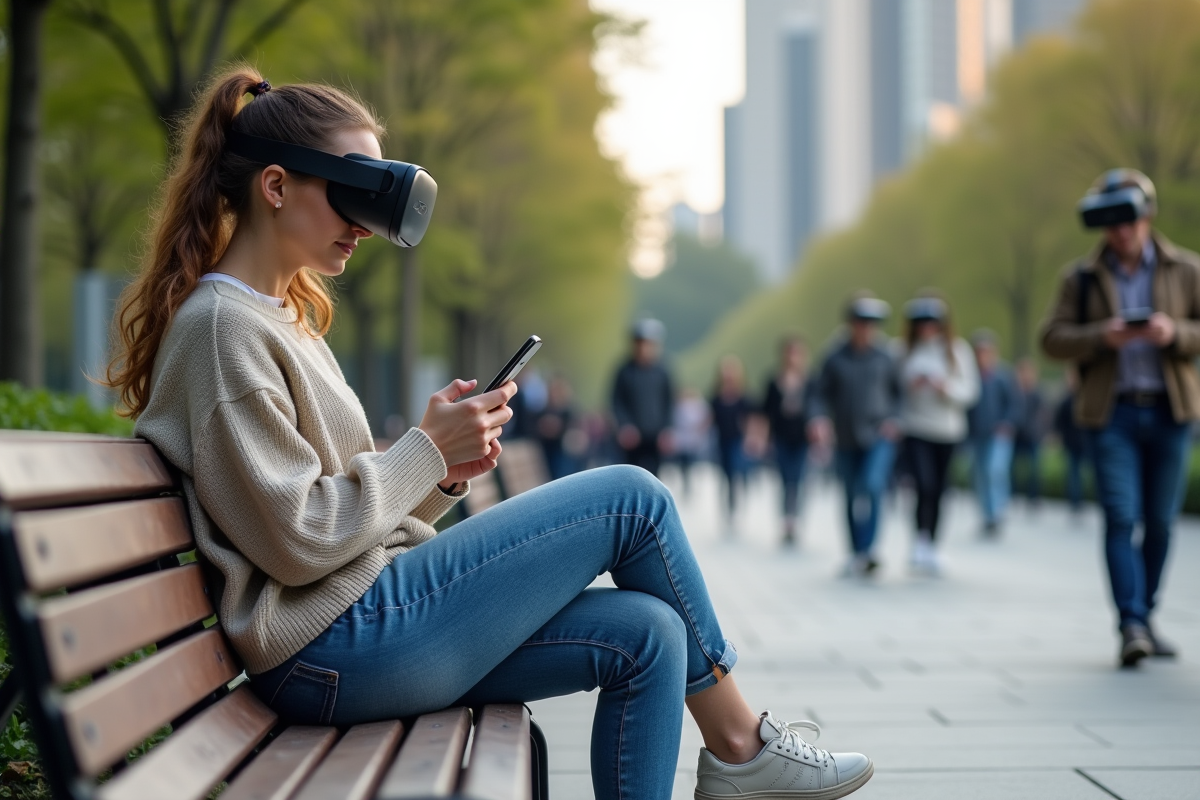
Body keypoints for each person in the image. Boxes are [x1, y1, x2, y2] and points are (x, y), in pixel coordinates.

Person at [103, 69, 874, 800]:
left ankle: (739, 753)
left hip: (357, 626)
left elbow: (329, 525)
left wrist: (437, 478)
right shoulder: (221, 329)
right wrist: (423, 449)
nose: (367, 227)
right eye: (355, 196)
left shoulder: (282, 318)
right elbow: (297, 540)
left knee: (651, 634)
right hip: (331, 649)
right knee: (634, 500)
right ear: (276, 186)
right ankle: (742, 747)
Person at [1041, 168, 1200, 668]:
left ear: (1147, 215)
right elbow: (1051, 338)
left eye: (1127, 218)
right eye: (1108, 221)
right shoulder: (1080, 279)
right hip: (1111, 413)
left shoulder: (1186, 270)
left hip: (1171, 410)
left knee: (1160, 523)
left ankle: (1145, 617)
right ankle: (1130, 622)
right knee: (1119, 515)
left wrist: (1173, 333)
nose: (1120, 231)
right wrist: (1099, 337)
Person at [809, 295, 902, 577]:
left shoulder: (885, 356)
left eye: (872, 324)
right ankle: (855, 551)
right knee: (850, 494)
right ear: (851, 324)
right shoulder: (834, 356)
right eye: (861, 322)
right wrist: (819, 419)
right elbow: (818, 394)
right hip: (846, 437)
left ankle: (869, 549)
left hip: (878, 435)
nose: (866, 329)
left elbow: (899, 394)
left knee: (872, 485)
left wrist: (895, 420)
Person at [898, 297, 979, 574]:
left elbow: (970, 391)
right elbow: (892, 387)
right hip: (916, 427)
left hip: (948, 431)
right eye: (921, 323)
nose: (926, 329)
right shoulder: (903, 351)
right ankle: (920, 540)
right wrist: (912, 385)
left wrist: (947, 389)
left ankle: (932, 544)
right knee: (924, 484)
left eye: (931, 323)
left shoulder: (957, 351)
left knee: (941, 489)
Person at [763, 336, 816, 546]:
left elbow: (816, 407)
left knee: (800, 479)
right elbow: (766, 411)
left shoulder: (809, 380)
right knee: (785, 480)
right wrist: (761, 438)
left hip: (803, 438)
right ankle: (786, 520)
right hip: (781, 437)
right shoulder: (774, 380)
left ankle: (797, 519)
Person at [967, 331, 1020, 537]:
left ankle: (998, 512)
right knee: (980, 475)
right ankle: (987, 515)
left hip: (998, 434)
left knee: (995, 470)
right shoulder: (971, 376)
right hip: (977, 434)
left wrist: (1007, 423)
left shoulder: (1003, 376)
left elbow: (1015, 404)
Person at [611, 319, 675, 476]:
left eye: (648, 343)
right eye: (640, 343)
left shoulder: (663, 371)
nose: (644, 348)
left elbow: (669, 402)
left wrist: (667, 429)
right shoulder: (624, 371)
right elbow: (617, 401)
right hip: (632, 436)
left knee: (654, 478)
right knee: (631, 477)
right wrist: (625, 425)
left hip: (656, 436)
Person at [711, 355, 754, 535]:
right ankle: (728, 510)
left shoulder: (744, 397)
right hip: (722, 441)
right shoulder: (716, 397)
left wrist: (752, 438)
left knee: (737, 474)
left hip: (738, 441)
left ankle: (737, 507)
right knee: (726, 478)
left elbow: (751, 419)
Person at [1011, 358, 1048, 508]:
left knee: (1034, 469)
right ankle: (1012, 494)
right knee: (1012, 468)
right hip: (1017, 435)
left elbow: (1044, 415)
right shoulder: (1015, 393)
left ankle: (1033, 497)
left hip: (1033, 435)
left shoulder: (1037, 393)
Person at [1053, 369, 1089, 514]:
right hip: (1072, 443)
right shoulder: (1066, 401)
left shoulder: (1084, 398)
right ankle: (1075, 502)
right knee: (1073, 475)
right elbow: (1059, 423)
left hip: (1085, 443)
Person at [534, 375, 577, 481]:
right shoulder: (542, 411)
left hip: (562, 455)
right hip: (545, 455)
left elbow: (573, 434)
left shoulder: (568, 412)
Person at [671, 387, 711, 498]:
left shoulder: (698, 405)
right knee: (684, 464)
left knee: (692, 463)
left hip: (693, 440)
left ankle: (691, 482)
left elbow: (706, 419)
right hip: (682, 441)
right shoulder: (678, 406)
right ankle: (686, 483)